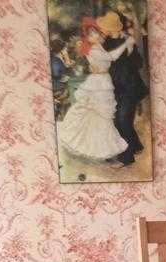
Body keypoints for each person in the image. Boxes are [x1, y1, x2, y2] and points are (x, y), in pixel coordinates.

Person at [57, 17, 135, 163]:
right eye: (91, 35)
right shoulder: (93, 49)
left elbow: (107, 47)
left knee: (101, 116)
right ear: (87, 38)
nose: (96, 36)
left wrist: (123, 38)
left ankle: (103, 147)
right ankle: (99, 147)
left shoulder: (98, 46)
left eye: (96, 33)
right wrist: (126, 43)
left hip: (103, 81)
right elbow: (111, 57)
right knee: (100, 115)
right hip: (99, 84)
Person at [98, 9, 149, 165]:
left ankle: (126, 158)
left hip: (130, 86)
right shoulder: (105, 43)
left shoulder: (128, 40)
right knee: (118, 119)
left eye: (104, 27)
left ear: (112, 28)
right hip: (114, 87)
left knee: (123, 119)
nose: (102, 30)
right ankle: (135, 146)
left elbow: (139, 63)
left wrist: (131, 52)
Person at [49, 38, 74, 121]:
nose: (66, 49)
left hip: (59, 85)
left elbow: (66, 71)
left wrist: (67, 63)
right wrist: (67, 61)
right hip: (57, 88)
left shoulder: (58, 59)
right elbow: (58, 74)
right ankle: (63, 116)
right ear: (61, 50)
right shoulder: (55, 61)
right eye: (65, 48)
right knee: (75, 93)